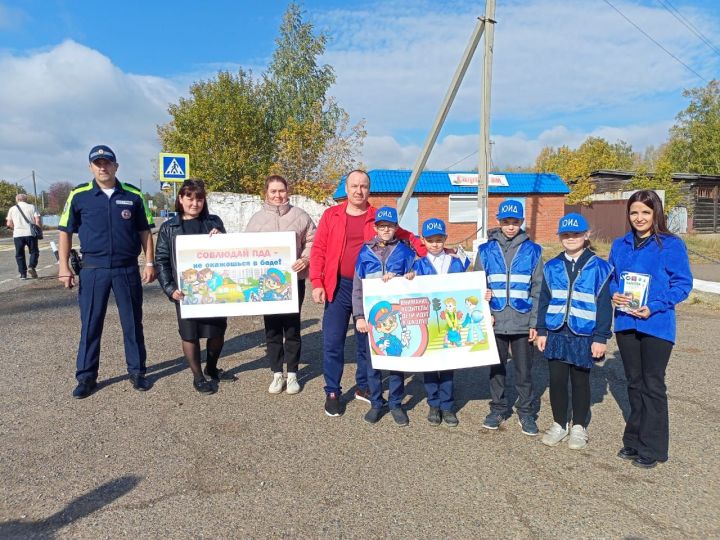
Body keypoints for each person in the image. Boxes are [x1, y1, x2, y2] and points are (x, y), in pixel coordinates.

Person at [309, 170, 425, 417]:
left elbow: (406, 237)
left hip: (371, 289)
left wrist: (436, 251)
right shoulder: (331, 215)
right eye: (354, 186)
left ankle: (363, 386)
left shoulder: (377, 217)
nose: (358, 190)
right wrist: (317, 281)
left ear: (368, 190)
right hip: (338, 286)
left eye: (363, 186)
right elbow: (319, 248)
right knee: (332, 340)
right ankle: (332, 391)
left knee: (367, 342)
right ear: (346, 188)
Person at [58, 145, 156, 399]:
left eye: (107, 163)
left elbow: (145, 232)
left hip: (126, 269)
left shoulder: (133, 195)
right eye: (97, 163)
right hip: (93, 269)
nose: (103, 167)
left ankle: (137, 372)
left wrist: (149, 263)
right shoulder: (79, 195)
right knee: (90, 324)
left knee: (132, 323)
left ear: (116, 166)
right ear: (91, 167)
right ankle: (86, 377)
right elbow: (65, 231)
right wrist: (63, 267)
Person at [609, 190, 692, 469]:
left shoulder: (670, 245)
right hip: (625, 322)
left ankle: (653, 447)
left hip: (656, 324)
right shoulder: (620, 245)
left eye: (645, 212)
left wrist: (655, 305)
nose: (639, 218)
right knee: (633, 383)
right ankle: (633, 440)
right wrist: (614, 294)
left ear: (656, 213)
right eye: (634, 212)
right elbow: (611, 278)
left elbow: (682, 284)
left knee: (652, 384)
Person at [535, 213, 613, 450]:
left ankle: (579, 426)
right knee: (557, 381)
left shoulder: (599, 267)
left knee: (580, 382)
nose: (571, 238)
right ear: (560, 237)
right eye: (566, 235)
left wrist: (600, 337)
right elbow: (543, 300)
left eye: (576, 234)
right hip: (556, 332)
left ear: (586, 235)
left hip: (583, 334)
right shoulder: (551, 266)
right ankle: (560, 423)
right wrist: (541, 330)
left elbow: (603, 305)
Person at [156, 179, 234, 395]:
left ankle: (211, 367)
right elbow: (162, 260)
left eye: (199, 198)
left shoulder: (214, 222)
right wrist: (170, 288)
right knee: (190, 334)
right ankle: (198, 377)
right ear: (180, 199)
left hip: (213, 291)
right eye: (189, 197)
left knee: (217, 331)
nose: (195, 203)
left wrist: (222, 239)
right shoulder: (168, 228)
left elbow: (229, 254)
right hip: (185, 292)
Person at [474, 199, 543, 435]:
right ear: (499, 222)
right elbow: (476, 287)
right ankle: (498, 408)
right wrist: (484, 312)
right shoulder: (485, 250)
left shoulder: (534, 250)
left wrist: (535, 323)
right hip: (495, 320)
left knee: (524, 371)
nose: (511, 226)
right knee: (497, 369)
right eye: (506, 222)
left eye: (515, 222)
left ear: (522, 222)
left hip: (522, 321)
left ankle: (526, 412)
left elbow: (537, 288)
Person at [245, 175, 316, 395]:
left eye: (281, 191)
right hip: (267, 285)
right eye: (273, 191)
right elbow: (245, 248)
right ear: (266, 193)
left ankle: (293, 373)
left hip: (293, 281)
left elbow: (313, 241)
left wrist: (305, 259)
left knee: (292, 328)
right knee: (273, 329)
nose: (278, 195)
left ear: (288, 191)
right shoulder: (256, 220)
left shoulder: (301, 216)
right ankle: (277, 373)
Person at [352, 207, 416, 426]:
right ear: (375, 228)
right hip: (371, 319)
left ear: (396, 227)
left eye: (390, 226)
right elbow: (357, 288)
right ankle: (376, 403)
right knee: (373, 364)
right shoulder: (364, 252)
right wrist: (359, 316)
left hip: (396, 318)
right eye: (382, 226)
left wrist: (410, 276)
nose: (386, 230)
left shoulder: (406, 251)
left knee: (396, 361)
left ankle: (396, 403)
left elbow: (415, 280)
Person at [412, 218, 470, 427]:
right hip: (428, 322)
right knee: (429, 365)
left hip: (450, 323)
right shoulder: (417, 264)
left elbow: (466, 288)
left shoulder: (456, 263)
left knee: (447, 365)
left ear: (445, 239)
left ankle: (447, 405)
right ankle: (433, 403)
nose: (435, 244)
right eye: (431, 240)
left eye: (439, 239)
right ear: (423, 241)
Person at [6, 193, 41, 279]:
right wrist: (39, 229)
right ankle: (31, 266)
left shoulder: (12, 209)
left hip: (18, 234)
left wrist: (15, 228)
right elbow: (37, 220)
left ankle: (23, 274)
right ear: (26, 199)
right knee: (34, 252)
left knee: (19, 254)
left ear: (17, 200)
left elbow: (9, 223)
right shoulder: (32, 207)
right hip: (30, 233)